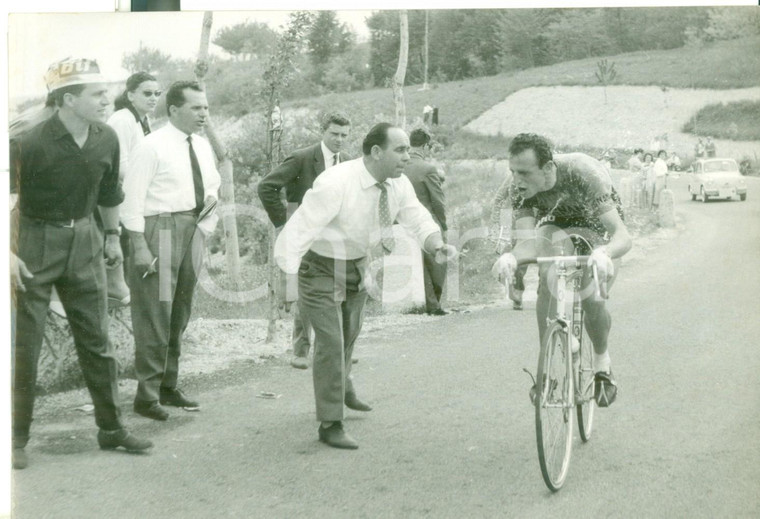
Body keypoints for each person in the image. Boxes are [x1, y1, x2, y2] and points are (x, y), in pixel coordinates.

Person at [274, 123, 458, 449]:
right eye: (400, 150)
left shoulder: (397, 184)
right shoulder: (336, 182)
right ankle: (330, 423)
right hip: (318, 267)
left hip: (356, 265)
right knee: (330, 341)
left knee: (348, 335)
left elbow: (418, 218)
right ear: (376, 152)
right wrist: (288, 283)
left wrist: (436, 244)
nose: (407, 156)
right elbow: (297, 230)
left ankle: (342, 387)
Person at [9, 57, 154, 469]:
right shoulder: (27, 140)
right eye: (97, 93)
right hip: (32, 242)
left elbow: (110, 195)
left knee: (97, 340)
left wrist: (112, 238)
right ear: (69, 99)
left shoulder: (105, 136)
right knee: (24, 347)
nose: (109, 99)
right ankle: (15, 439)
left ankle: (112, 429)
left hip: (87, 241)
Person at [491, 133, 631, 408]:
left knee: (591, 295)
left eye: (524, 173)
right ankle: (546, 371)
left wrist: (605, 253)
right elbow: (528, 244)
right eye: (512, 171)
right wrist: (510, 257)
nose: (516, 180)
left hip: (597, 226)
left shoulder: (582, 171)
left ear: (548, 167)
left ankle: (602, 363)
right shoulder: (517, 188)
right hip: (555, 224)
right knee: (547, 275)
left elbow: (622, 236)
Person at [120, 80, 221, 421]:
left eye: (205, 107)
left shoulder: (203, 145)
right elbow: (130, 201)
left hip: (192, 230)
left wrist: (205, 227)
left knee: (180, 310)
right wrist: (139, 248)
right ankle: (146, 395)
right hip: (161, 232)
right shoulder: (152, 146)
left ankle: (167, 384)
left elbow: (212, 186)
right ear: (174, 109)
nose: (203, 114)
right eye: (196, 108)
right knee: (156, 312)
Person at [257, 113, 351, 370]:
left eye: (344, 135)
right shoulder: (302, 158)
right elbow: (266, 187)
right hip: (305, 229)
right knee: (308, 289)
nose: (339, 139)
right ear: (323, 131)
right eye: (334, 134)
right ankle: (300, 349)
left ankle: (336, 349)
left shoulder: (349, 163)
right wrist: (285, 224)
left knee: (339, 290)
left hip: (337, 234)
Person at [106, 71, 161, 305]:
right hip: (116, 194)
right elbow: (119, 165)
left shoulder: (142, 119)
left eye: (157, 94)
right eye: (147, 93)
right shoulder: (122, 120)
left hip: (134, 193)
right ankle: (119, 288)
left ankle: (143, 291)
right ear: (130, 95)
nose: (153, 98)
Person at [404, 128, 448, 316]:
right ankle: (434, 304)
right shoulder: (428, 168)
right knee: (436, 264)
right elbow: (437, 200)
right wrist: (443, 224)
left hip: (402, 223)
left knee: (415, 265)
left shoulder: (399, 165)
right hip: (426, 222)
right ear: (425, 146)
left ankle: (424, 303)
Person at [489, 174, 530, 310]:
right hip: (518, 222)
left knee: (545, 257)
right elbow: (499, 198)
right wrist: (495, 222)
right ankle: (517, 292)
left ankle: (543, 292)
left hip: (543, 220)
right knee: (520, 259)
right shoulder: (514, 177)